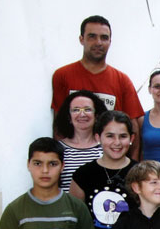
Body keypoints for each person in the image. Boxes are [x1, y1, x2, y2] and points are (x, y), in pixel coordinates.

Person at [51, 15, 144, 157]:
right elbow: (58, 125)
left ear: (110, 41)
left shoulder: (122, 80)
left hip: (112, 160)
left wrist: (133, 165)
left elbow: (134, 128)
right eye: (92, 36)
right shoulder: (62, 75)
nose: (98, 42)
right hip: (73, 160)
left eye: (104, 38)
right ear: (81, 39)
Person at [53, 90, 107, 191]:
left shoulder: (107, 147)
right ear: (69, 117)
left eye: (88, 109)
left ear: (96, 116)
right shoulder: (58, 149)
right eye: (76, 110)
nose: (82, 114)